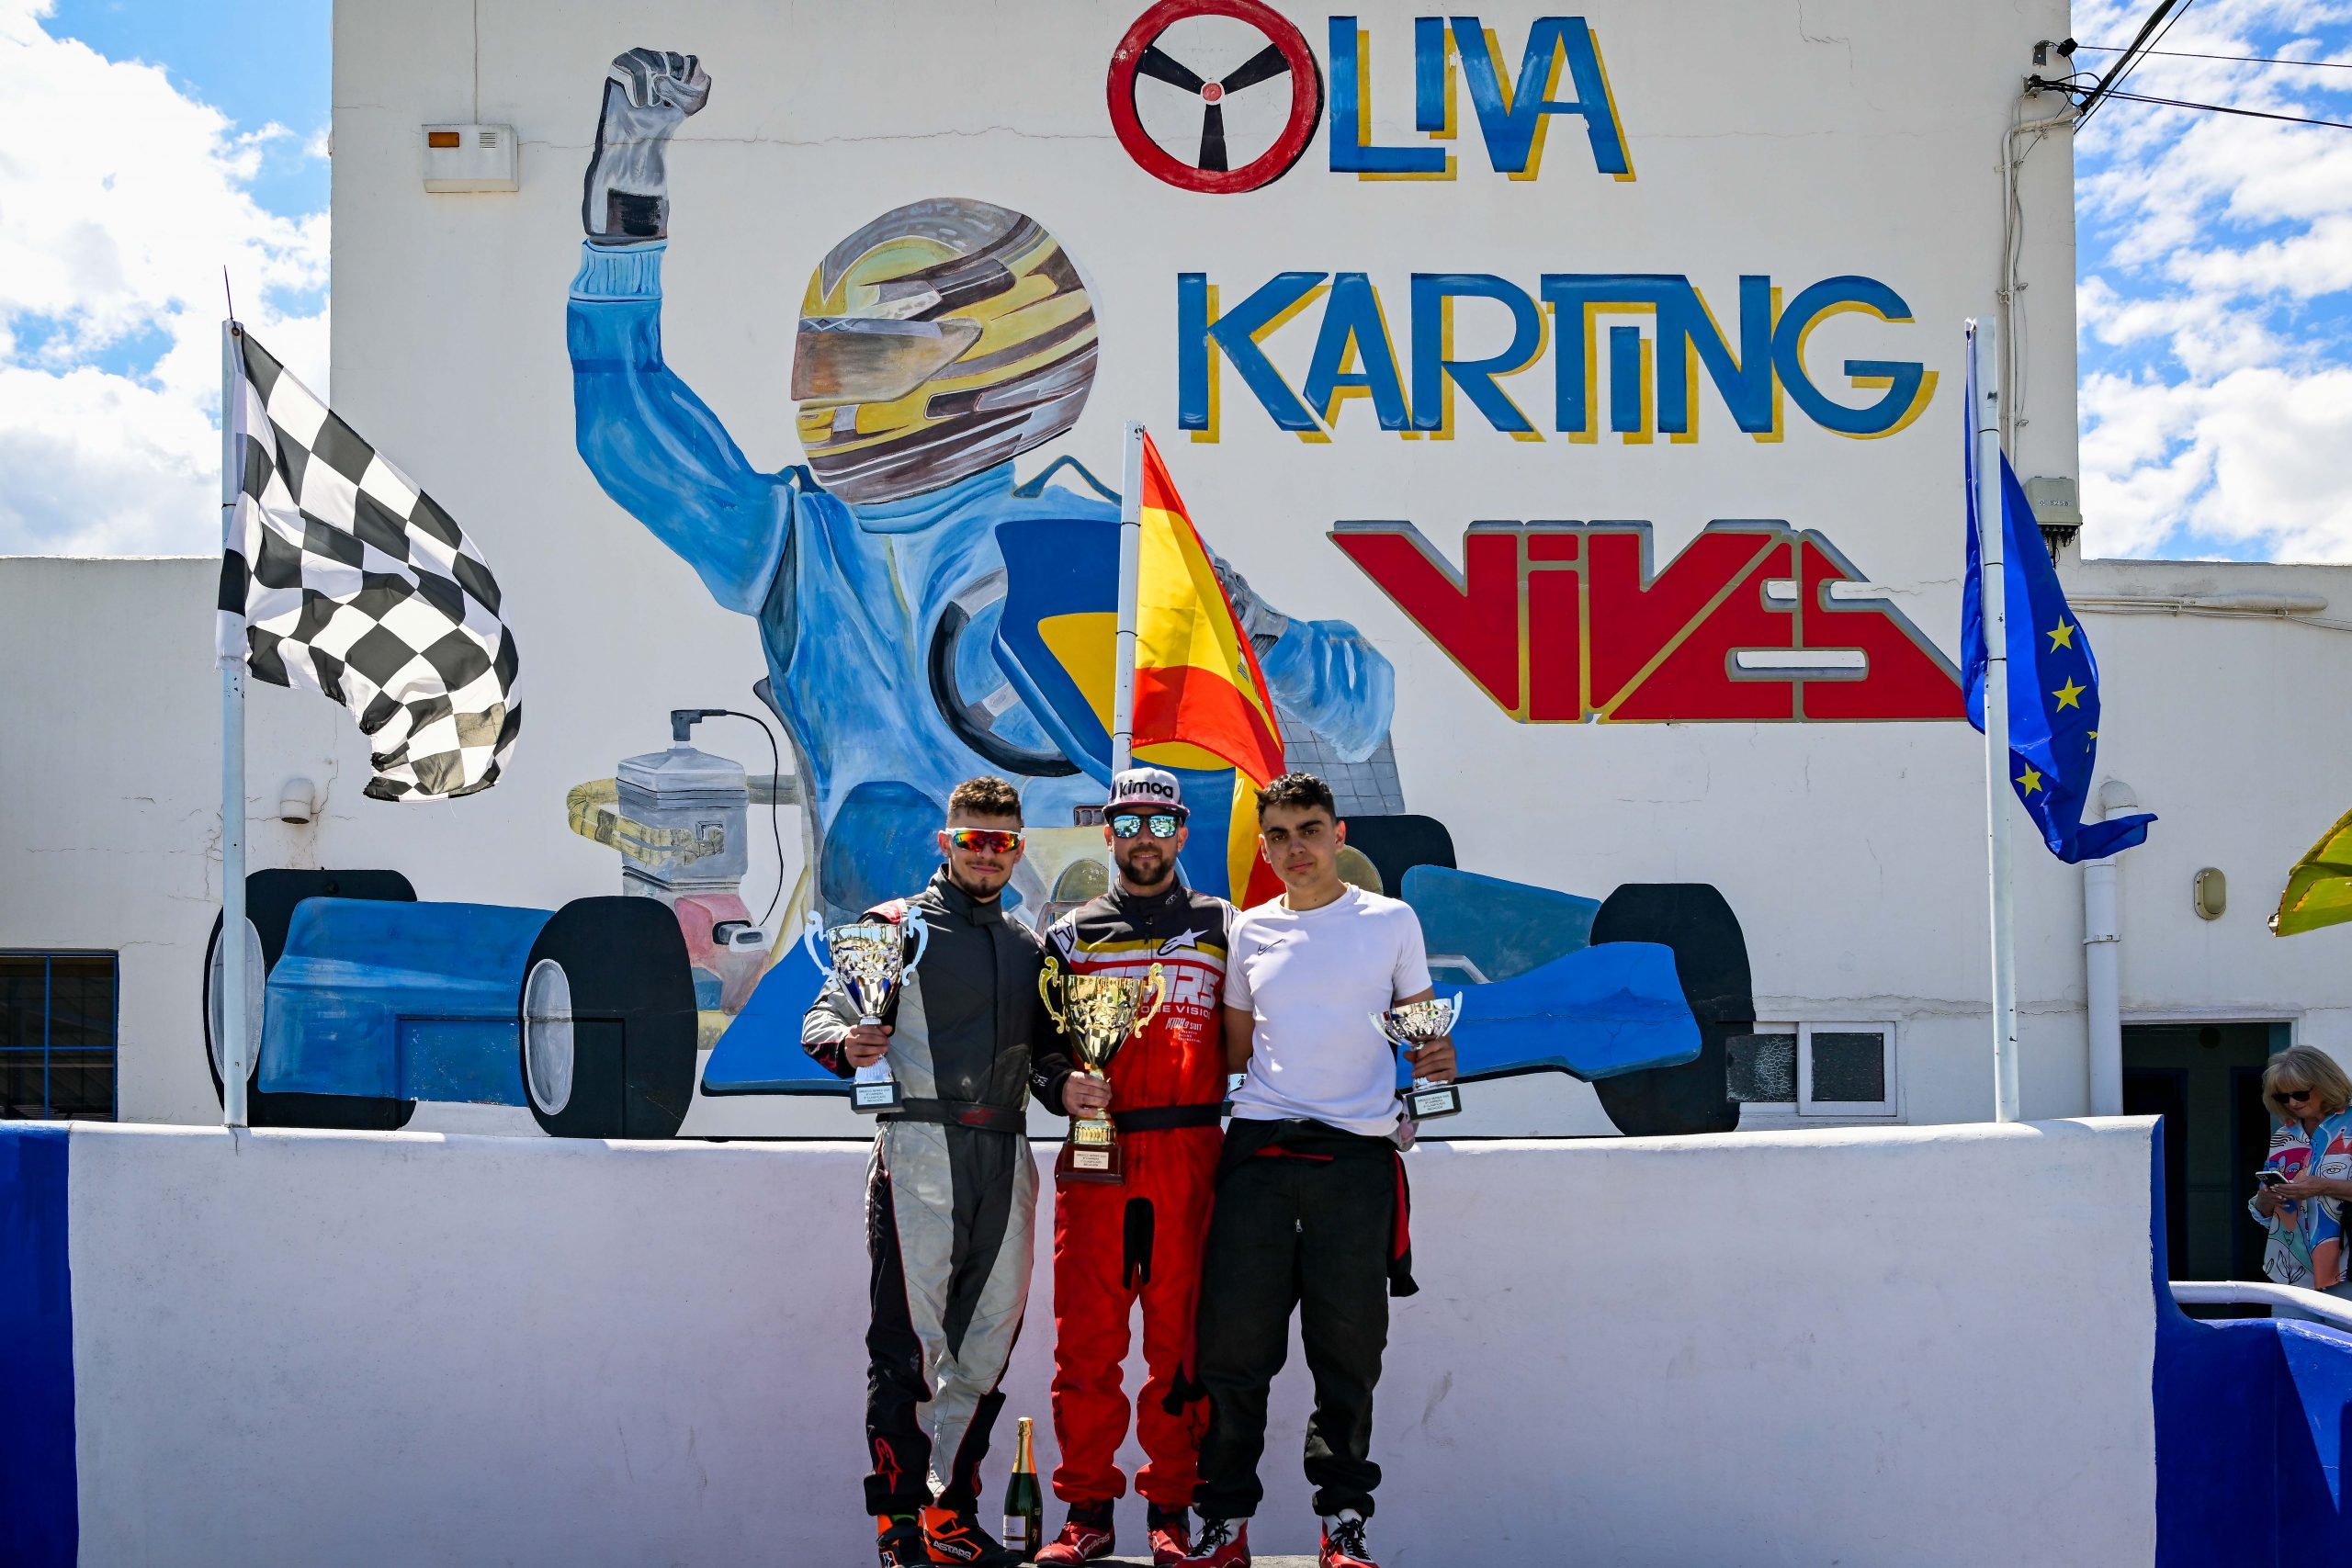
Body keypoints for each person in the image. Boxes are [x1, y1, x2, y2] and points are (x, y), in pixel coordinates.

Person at [1181, 773, 1455, 1568]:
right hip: (1259, 1158)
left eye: (1308, 829)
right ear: (1264, 847)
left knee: (1348, 1355)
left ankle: (1343, 1523)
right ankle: (1223, 1523)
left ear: (1339, 835)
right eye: (1278, 834)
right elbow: (1236, 1052)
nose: (1294, 846)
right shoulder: (1249, 931)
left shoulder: (1392, 920)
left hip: (1356, 1164)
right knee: (1232, 1353)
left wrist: (1437, 1059)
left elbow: (1423, 1037)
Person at [802, 776, 1046, 1568]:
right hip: (916, 1149)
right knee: (907, 1349)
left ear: (1018, 848)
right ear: (946, 842)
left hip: (1006, 1156)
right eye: (972, 839)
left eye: (1001, 841)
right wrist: (850, 1044)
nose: (987, 854)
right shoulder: (892, 927)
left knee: (985, 1350)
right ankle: (897, 1523)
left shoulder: (1029, 947)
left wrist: (1072, 1083)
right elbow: (823, 1017)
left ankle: (950, 1514)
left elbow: (1049, 1060)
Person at [1029, 769, 1234, 1566]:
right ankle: (1086, 1507)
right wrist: (1060, 1086)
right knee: (1086, 1342)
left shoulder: (1223, 924)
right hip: (1097, 1153)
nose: (1143, 838)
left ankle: (1171, 1506)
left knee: (1181, 1346)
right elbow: (1039, 1045)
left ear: (1181, 832)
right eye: (1128, 822)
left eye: (1158, 822)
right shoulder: (1069, 934)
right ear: (1107, 832)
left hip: (1190, 1149)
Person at [2251, 1045, 2352, 1314]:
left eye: (2300, 1094)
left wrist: (2323, 1186)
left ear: (2325, 1084)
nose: (2292, 1103)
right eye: (2283, 1096)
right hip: (2290, 1270)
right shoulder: (2284, 1136)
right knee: (2292, 1340)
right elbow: (2264, 1212)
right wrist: (2265, 1199)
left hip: (2345, 1267)